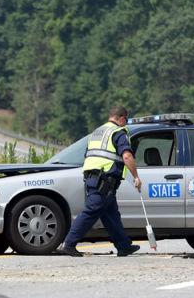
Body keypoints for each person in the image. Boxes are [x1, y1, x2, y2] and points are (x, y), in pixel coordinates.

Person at [57, 105, 142, 257]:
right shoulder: (118, 132)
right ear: (121, 118)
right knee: (92, 210)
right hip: (105, 180)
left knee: (111, 214)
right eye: (126, 120)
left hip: (92, 178)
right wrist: (136, 176)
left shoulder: (97, 132)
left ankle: (123, 246)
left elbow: (88, 155)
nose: (126, 123)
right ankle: (69, 244)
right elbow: (127, 156)